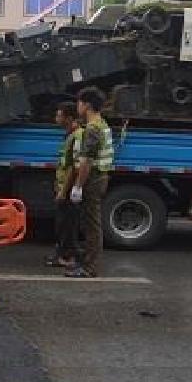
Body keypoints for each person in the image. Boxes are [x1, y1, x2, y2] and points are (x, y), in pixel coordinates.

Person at [66, 87, 113, 278]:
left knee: (92, 225)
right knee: (89, 223)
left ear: (86, 105)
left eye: (79, 103)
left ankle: (89, 267)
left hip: (93, 179)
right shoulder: (102, 124)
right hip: (99, 177)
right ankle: (86, 263)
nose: (77, 107)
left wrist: (77, 186)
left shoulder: (92, 129)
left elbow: (86, 162)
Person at [46, 101, 83, 268]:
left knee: (68, 223)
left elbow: (73, 168)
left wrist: (64, 191)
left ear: (68, 118)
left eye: (59, 115)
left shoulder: (77, 136)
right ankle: (64, 253)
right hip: (63, 186)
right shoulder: (70, 135)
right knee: (62, 223)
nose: (56, 118)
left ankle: (69, 256)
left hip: (67, 188)